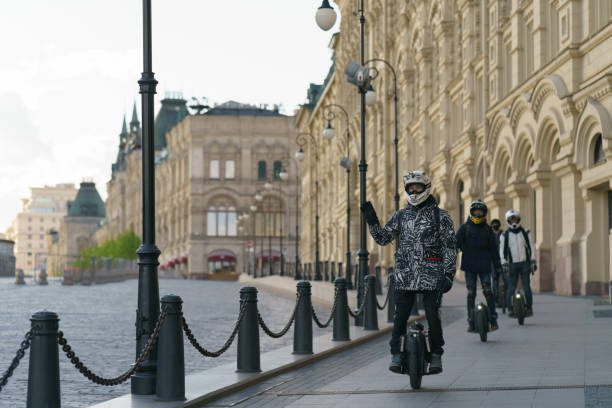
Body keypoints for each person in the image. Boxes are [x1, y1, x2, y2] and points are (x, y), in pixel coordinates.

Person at [361, 170, 456, 374]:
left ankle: (437, 354)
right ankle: (396, 354)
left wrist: (449, 273)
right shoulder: (400, 216)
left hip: (432, 275)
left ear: (426, 188)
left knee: (433, 315)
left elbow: (449, 246)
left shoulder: (441, 216)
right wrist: (371, 219)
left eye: (417, 187)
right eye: (410, 188)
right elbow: (383, 238)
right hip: (405, 275)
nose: (413, 191)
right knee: (400, 316)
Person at [455, 200, 503, 332]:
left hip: (484, 266)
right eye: (476, 211)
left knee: (488, 291)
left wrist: (498, 266)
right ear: (471, 212)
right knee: (471, 293)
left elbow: (494, 250)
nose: (478, 213)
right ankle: (471, 321)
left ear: (484, 213)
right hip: (469, 266)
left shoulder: (488, 230)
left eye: (480, 211)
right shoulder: (465, 228)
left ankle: (493, 319)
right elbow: (456, 244)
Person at [499, 209, 536, 316]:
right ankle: (510, 309)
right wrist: (504, 263)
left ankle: (529, 307)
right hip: (512, 265)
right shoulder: (504, 235)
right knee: (511, 287)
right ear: (508, 221)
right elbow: (501, 251)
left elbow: (532, 247)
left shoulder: (526, 232)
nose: (514, 221)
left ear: (519, 219)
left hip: (525, 264)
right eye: (511, 220)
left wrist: (533, 261)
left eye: (515, 219)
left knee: (526, 286)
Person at [490, 219, 511, 312]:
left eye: (496, 224)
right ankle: (495, 300)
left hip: (503, 260)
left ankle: (507, 300)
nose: (495, 225)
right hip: (493, 261)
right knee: (495, 280)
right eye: (493, 224)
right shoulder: (489, 235)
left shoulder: (503, 234)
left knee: (507, 280)